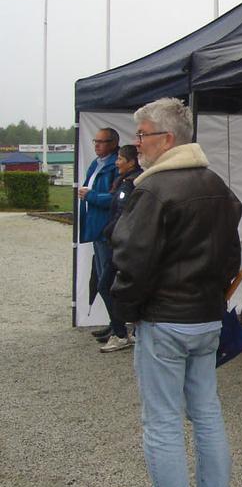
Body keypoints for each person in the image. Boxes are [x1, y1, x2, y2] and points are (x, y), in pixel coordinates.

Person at [110, 98, 241, 487]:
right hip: (205, 318)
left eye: (142, 135)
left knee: (162, 422)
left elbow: (131, 259)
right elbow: (231, 259)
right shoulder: (218, 186)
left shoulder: (155, 190)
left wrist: (126, 309)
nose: (138, 144)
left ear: (166, 140)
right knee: (206, 415)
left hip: (165, 320)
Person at [97, 144, 143, 352]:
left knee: (106, 286)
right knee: (112, 287)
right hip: (122, 244)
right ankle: (124, 330)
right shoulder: (127, 181)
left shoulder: (131, 183)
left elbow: (123, 216)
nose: (116, 163)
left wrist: (108, 232)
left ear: (131, 162)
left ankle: (121, 333)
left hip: (122, 246)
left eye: (120, 160)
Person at [79, 127, 119, 338]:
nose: (96, 145)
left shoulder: (116, 165)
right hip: (96, 228)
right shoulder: (97, 163)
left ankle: (118, 328)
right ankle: (114, 323)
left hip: (107, 229)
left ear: (113, 143)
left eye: (101, 141)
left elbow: (115, 199)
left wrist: (91, 196)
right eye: (95, 141)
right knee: (101, 279)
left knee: (107, 281)